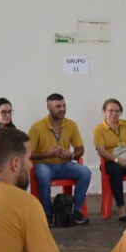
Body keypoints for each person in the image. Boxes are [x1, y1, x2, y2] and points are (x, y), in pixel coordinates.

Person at [28, 93, 91, 225]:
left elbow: (80, 149)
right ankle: (48, 212)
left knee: (85, 172)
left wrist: (72, 155)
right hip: (44, 165)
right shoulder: (37, 127)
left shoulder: (71, 125)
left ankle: (75, 210)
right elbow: (28, 154)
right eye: (58, 106)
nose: (62, 109)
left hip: (64, 165)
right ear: (48, 108)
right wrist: (47, 154)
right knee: (43, 175)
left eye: (64, 105)